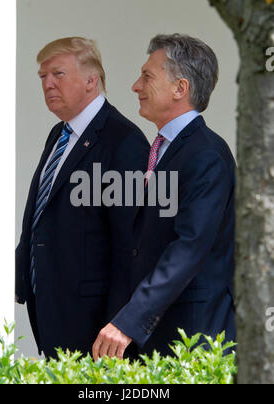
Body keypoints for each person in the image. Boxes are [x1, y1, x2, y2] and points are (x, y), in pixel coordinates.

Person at [93, 34, 236, 360]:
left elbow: (188, 248)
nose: (135, 86)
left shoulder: (206, 155)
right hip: (156, 336)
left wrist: (129, 320)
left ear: (180, 88)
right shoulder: (164, 150)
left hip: (191, 339)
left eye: (147, 76)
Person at [15, 37, 150, 359]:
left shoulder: (124, 142)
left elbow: (130, 245)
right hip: (50, 306)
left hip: (95, 325)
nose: (48, 84)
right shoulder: (59, 134)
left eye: (58, 74)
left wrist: (120, 323)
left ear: (92, 80)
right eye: (42, 77)